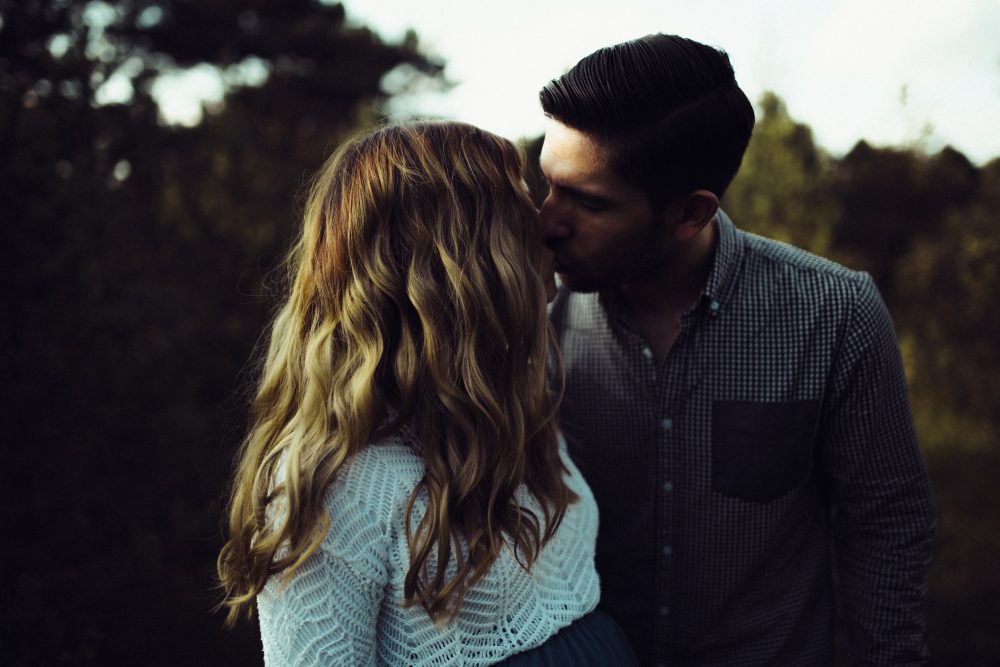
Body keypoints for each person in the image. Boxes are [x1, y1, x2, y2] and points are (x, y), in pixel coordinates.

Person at [537, 34, 936, 665]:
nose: (547, 221)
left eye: (588, 202)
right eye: (549, 184)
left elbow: (886, 524)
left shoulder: (835, 314)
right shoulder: (530, 320)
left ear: (690, 213)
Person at [216, 121, 638, 666]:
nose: (547, 227)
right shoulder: (340, 485)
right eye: (519, 209)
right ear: (468, 264)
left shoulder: (514, 406)